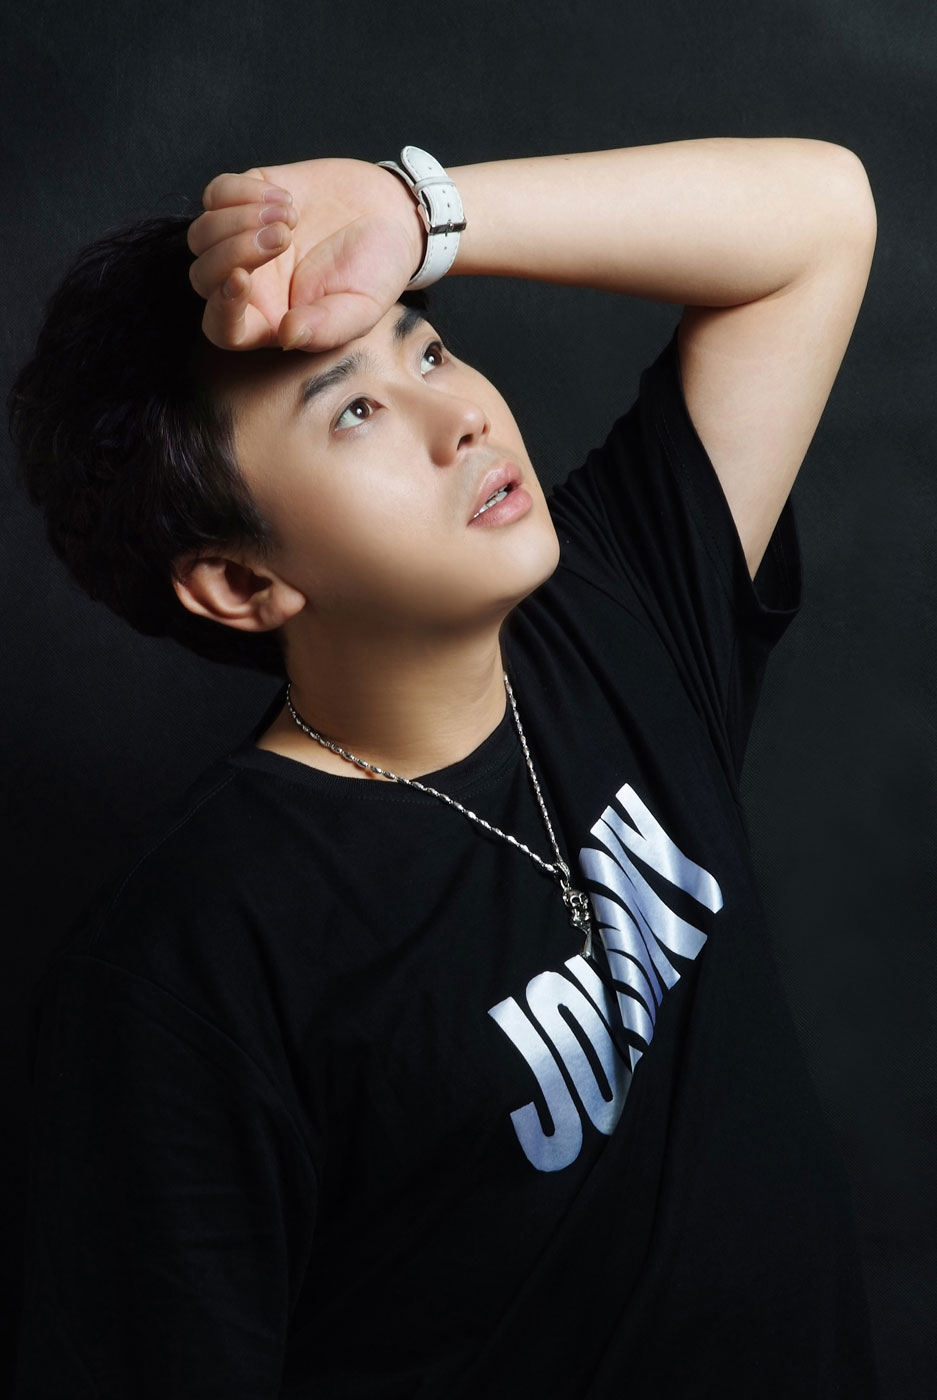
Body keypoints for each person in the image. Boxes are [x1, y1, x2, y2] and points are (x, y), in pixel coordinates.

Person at [11, 138, 878, 1397]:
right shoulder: (192, 964)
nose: (460, 412)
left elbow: (817, 221)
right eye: (354, 410)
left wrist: (416, 213)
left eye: (425, 350)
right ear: (242, 581)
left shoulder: (615, 611)